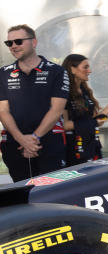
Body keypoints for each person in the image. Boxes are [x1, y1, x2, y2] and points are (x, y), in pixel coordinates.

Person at [0, 24, 69, 181]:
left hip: (49, 141)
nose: (14, 46)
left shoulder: (56, 71)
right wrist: (22, 140)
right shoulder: (3, 74)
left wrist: (34, 139)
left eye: (18, 41)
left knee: (51, 193)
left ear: (34, 42)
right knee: (21, 194)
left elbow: (56, 109)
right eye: (9, 43)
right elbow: (3, 111)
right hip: (14, 143)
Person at [61, 54, 108, 165]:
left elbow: (96, 121)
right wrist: (92, 123)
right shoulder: (64, 93)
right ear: (72, 69)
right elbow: (65, 125)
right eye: (85, 67)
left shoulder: (85, 91)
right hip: (75, 149)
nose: (90, 71)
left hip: (92, 145)